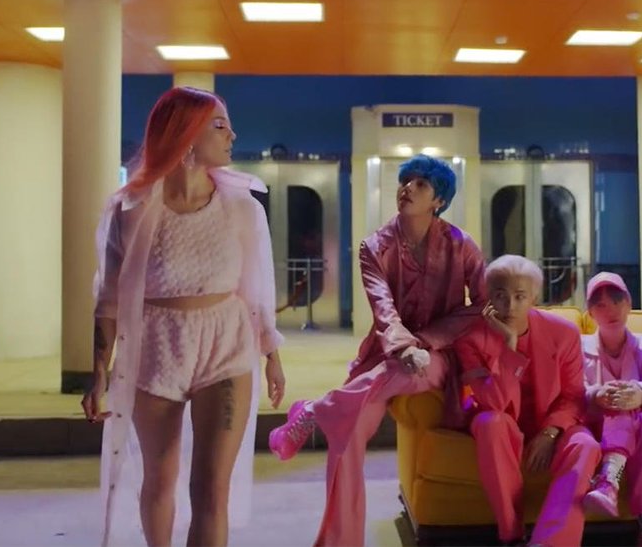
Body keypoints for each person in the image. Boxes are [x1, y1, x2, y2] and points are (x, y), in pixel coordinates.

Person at [84, 86, 286, 546]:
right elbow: (109, 298)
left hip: (226, 347)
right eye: (220, 126)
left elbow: (256, 288)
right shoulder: (132, 210)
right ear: (186, 134)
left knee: (211, 488)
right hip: (155, 349)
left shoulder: (242, 208)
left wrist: (271, 354)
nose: (232, 135)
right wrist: (98, 372)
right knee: (159, 479)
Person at [267, 154, 486, 546]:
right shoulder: (374, 246)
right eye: (406, 180)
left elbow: (483, 305)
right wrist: (403, 346)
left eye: (421, 184)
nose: (408, 188)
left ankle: (314, 411)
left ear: (439, 200)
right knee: (348, 433)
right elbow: (382, 307)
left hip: (442, 356)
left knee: (413, 369)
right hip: (385, 354)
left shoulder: (461, 244)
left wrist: (428, 340)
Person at [455, 255, 601, 547]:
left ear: (534, 297)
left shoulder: (564, 333)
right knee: (490, 423)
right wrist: (509, 346)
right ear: (487, 295)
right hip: (502, 423)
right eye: (500, 295)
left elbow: (573, 395)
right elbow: (493, 403)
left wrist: (550, 433)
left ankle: (551, 542)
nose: (510, 306)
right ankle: (511, 535)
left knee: (586, 445)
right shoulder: (470, 340)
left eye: (520, 296)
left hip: (551, 422)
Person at [579, 272, 642, 547]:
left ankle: (610, 483)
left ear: (628, 304)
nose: (610, 310)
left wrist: (639, 393)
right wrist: (597, 394)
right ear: (590, 312)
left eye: (616, 301)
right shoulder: (579, 345)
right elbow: (573, 387)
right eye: (601, 305)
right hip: (594, 424)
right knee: (628, 406)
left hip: (637, 424)